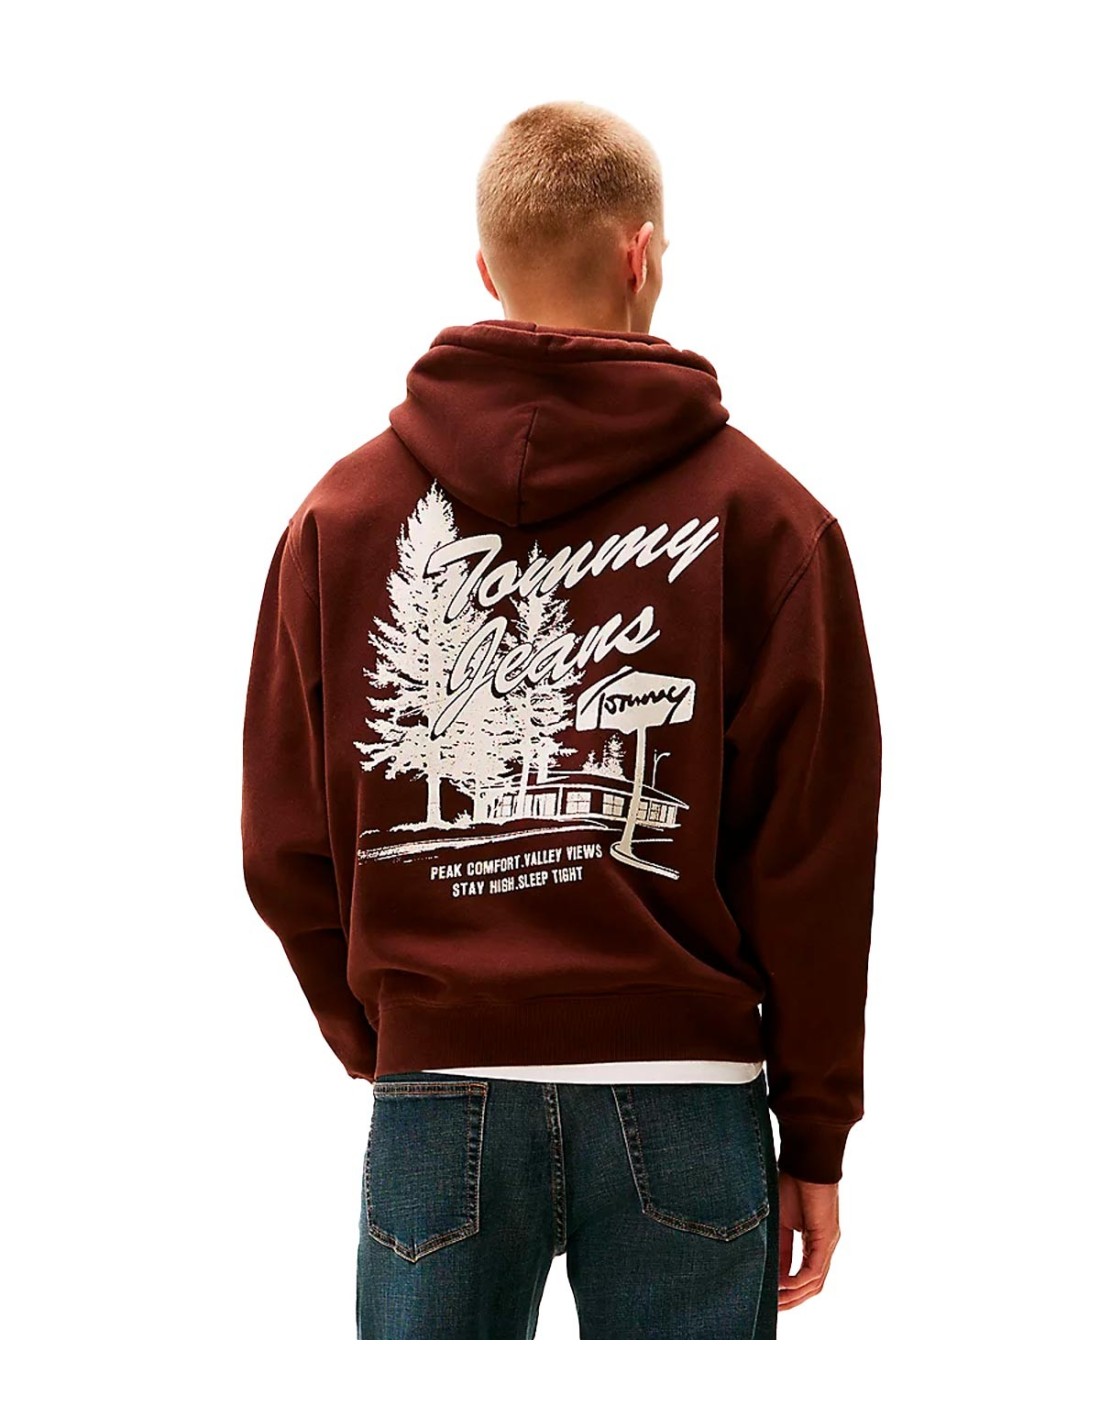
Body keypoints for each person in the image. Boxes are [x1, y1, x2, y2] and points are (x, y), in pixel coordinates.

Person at [240, 99, 882, 1340]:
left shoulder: (341, 518)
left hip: (439, 1091)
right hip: (688, 1094)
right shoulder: (768, 519)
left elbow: (281, 842)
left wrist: (389, 1030)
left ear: (487, 270)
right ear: (640, 254)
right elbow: (813, 859)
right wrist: (814, 1128)